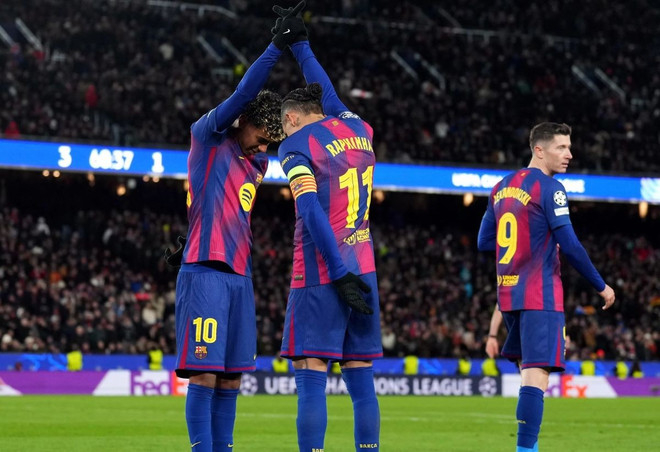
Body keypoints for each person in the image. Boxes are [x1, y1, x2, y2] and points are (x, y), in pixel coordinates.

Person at [168, 4, 303, 451]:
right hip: (205, 273)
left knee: (231, 379)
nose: (264, 149)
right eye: (262, 138)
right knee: (204, 374)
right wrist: (276, 47)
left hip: (240, 277)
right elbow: (245, 92)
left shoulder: (256, 164)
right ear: (244, 121)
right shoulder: (208, 138)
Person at [273, 4, 382, 451]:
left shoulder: (295, 147)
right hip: (365, 268)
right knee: (361, 378)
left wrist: (336, 273)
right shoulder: (360, 129)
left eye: (282, 125)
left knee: (311, 374)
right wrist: (301, 45)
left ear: (292, 118)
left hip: (322, 272)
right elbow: (328, 92)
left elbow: (311, 211)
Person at [477, 122, 616, 452]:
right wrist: (601, 286)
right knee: (536, 377)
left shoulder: (500, 187)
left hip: (508, 294)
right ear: (539, 150)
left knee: (528, 374)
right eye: (561, 147)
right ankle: (526, 450)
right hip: (540, 294)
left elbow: (484, 241)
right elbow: (571, 245)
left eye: (569, 147)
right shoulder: (551, 188)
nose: (569, 154)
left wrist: (524, 244)